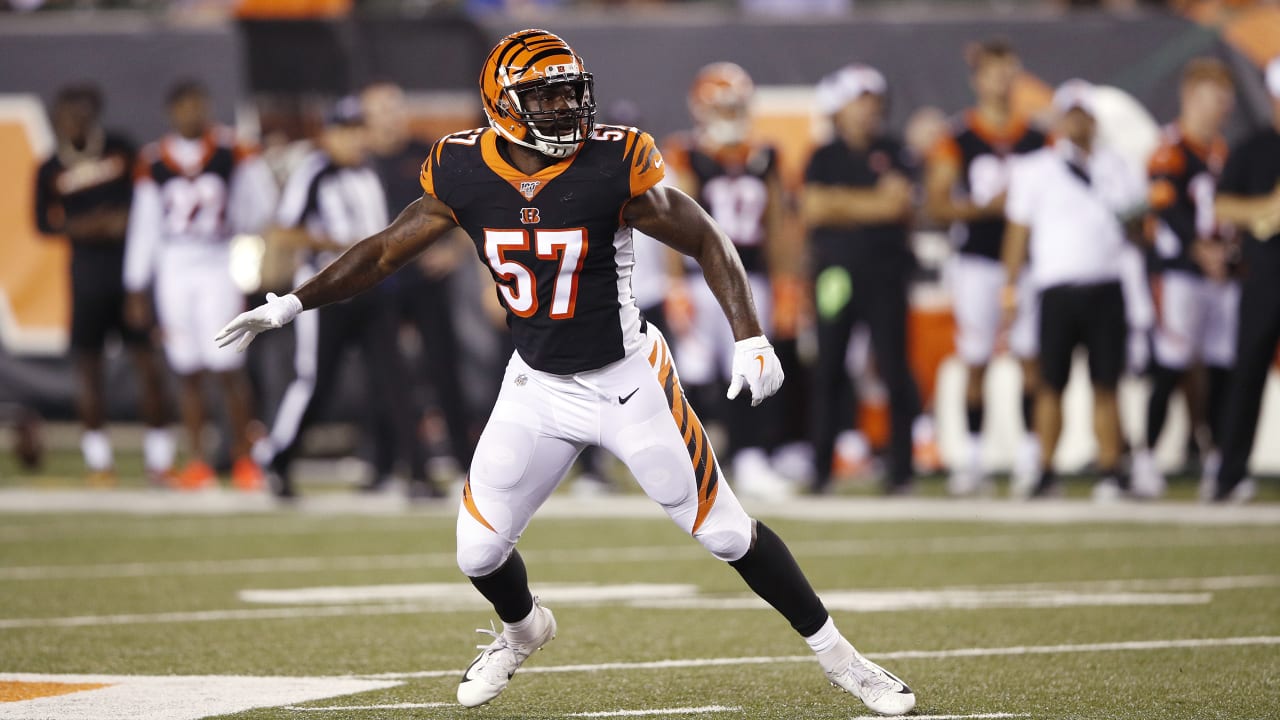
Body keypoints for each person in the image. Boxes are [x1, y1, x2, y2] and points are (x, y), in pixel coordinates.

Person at [217, 29, 914, 716]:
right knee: (478, 550)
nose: (566, 111)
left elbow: (705, 235)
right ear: (503, 104)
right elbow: (381, 253)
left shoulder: (613, 161)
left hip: (628, 380)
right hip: (538, 385)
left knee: (728, 533)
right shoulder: (462, 168)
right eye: (546, 98)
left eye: (570, 94)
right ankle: (524, 631)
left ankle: (846, 663)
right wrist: (289, 305)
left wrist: (750, 335)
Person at [253, 96, 424, 499]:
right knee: (315, 382)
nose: (353, 139)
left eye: (357, 130)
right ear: (329, 134)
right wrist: (336, 243)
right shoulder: (313, 171)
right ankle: (277, 459)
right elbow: (284, 230)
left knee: (395, 379)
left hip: (373, 290)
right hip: (326, 292)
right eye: (345, 131)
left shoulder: (369, 171)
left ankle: (416, 472)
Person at [124, 79, 276, 491]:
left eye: (200, 104)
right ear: (172, 111)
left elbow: (258, 208)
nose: (194, 112)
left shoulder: (231, 150)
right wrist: (136, 284)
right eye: (186, 105)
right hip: (175, 264)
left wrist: (252, 164)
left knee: (228, 365)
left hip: (217, 259)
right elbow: (145, 227)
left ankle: (244, 460)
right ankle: (198, 461)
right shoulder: (154, 159)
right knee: (186, 368)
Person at [1001, 80, 1148, 499]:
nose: (1080, 122)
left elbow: (1139, 233)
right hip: (1057, 288)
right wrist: (1009, 290)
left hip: (1106, 285)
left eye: (1086, 113)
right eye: (1073, 113)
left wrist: (1132, 214)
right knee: (1051, 384)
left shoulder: (1119, 166)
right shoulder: (1035, 169)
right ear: (1060, 119)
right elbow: (1017, 236)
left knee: (1107, 383)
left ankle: (1111, 469)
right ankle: (1046, 470)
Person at [663, 61, 793, 499]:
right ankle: (693, 461)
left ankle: (752, 456)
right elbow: (671, 223)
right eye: (722, 106)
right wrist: (676, 283)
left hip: (752, 278)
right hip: (704, 279)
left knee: (754, 368)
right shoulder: (687, 154)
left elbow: (776, 226)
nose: (730, 114)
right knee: (698, 374)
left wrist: (786, 281)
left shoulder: (765, 156)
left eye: (736, 105)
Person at [924, 39, 1047, 497]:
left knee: (1030, 360)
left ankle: (1032, 459)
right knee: (976, 359)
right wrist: (988, 207)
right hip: (977, 259)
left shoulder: (1037, 136)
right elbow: (938, 206)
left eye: (1008, 72)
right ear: (978, 79)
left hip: (1028, 264)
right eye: (993, 72)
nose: (1001, 81)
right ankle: (972, 458)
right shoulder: (957, 137)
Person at [34, 84, 174, 485]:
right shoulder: (50, 167)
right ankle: (99, 462)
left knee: (148, 367)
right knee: (88, 369)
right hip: (87, 279)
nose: (72, 124)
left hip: (129, 277)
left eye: (79, 115)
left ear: (93, 114)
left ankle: (158, 461)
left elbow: (143, 206)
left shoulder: (120, 149)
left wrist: (119, 224)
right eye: (65, 117)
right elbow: (43, 223)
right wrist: (90, 225)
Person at [802, 64, 921, 495]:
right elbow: (813, 208)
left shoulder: (895, 149)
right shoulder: (823, 155)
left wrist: (841, 203)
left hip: (886, 274)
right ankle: (821, 470)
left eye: (873, 102)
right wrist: (872, 202)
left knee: (893, 368)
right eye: (860, 102)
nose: (869, 111)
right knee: (829, 368)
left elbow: (898, 206)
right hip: (835, 275)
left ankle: (903, 471)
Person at [1131, 58, 1237, 499]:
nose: (1222, 105)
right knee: (1171, 366)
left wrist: (1227, 252)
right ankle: (1146, 458)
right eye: (1214, 95)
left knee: (1221, 368)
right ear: (1191, 96)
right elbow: (1166, 206)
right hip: (1180, 275)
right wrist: (1200, 248)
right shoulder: (1170, 148)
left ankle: (1218, 460)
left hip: (1221, 275)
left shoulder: (1222, 152)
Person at [362, 80, 472, 497]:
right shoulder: (361, 159)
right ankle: (384, 462)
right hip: (380, 282)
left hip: (424, 279)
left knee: (444, 369)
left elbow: (468, 208)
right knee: (383, 376)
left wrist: (453, 252)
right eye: (381, 110)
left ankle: (464, 461)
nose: (390, 118)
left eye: (394, 108)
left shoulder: (426, 155)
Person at [1209, 56, 1280, 503]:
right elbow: (1222, 206)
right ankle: (1229, 473)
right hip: (1266, 276)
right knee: (1247, 372)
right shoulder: (1253, 148)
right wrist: (1266, 211)